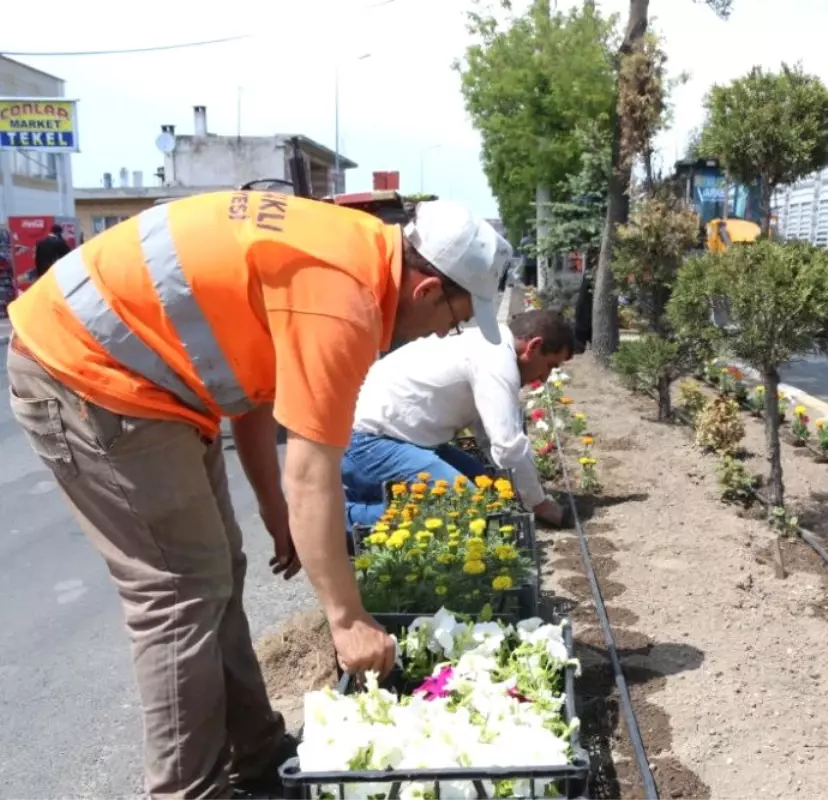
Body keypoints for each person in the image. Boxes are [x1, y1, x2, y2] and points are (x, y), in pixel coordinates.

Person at [6, 191, 507, 800]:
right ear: (428, 290)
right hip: (92, 372)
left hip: (151, 379)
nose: (445, 332)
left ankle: (259, 756)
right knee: (177, 591)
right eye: (453, 319)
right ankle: (188, 792)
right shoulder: (343, 303)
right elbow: (312, 471)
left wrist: (275, 514)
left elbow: (255, 391)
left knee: (218, 570)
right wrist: (347, 620)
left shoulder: (354, 249)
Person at [344, 309, 574, 529]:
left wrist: (518, 488)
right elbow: (507, 445)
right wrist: (539, 504)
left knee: (488, 490)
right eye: (550, 366)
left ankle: (361, 495)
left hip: (399, 438)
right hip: (367, 443)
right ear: (534, 347)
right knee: (466, 506)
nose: (544, 378)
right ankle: (340, 519)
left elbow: (490, 436)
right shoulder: (495, 359)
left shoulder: (490, 344)